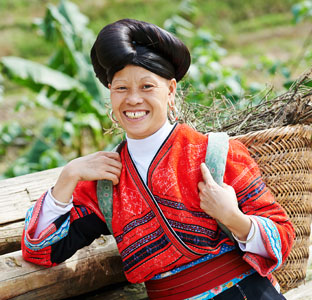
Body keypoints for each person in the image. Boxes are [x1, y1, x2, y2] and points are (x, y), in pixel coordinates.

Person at [21, 19, 294, 300]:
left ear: (171, 90)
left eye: (147, 86)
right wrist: (68, 176)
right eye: (121, 88)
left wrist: (232, 217)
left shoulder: (216, 154)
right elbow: (40, 250)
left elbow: (283, 237)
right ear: (110, 97)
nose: (133, 99)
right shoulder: (105, 183)